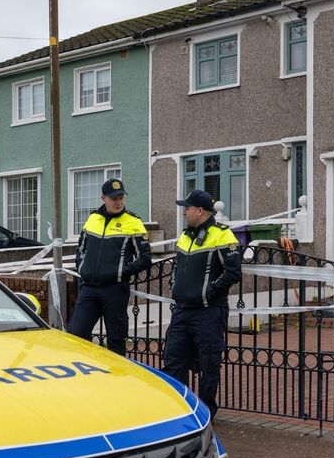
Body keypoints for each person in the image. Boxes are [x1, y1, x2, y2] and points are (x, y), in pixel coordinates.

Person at [162, 190, 241, 416]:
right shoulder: (185, 235)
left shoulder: (222, 235)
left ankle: (205, 412)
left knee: (209, 363)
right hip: (182, 310)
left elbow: (233, 272)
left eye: (187, 208)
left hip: (208, 312)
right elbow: (177, 267)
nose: (184, 212)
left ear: (200, 211)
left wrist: (208, 291)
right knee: (173, 360)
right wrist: (174, 285)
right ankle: (177, 409)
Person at [67, 178, 152, 355]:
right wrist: (82, 268)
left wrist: (120, 272)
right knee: (75, 335)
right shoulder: (92, 219)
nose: (118, 202)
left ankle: (117, 380)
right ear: (103, 198)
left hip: (115, 290)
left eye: (121, 197)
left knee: (116, 341)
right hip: (89, 288)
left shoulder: (133, 222)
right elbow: (81, 249)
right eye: (114, 198)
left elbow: (145, 258)